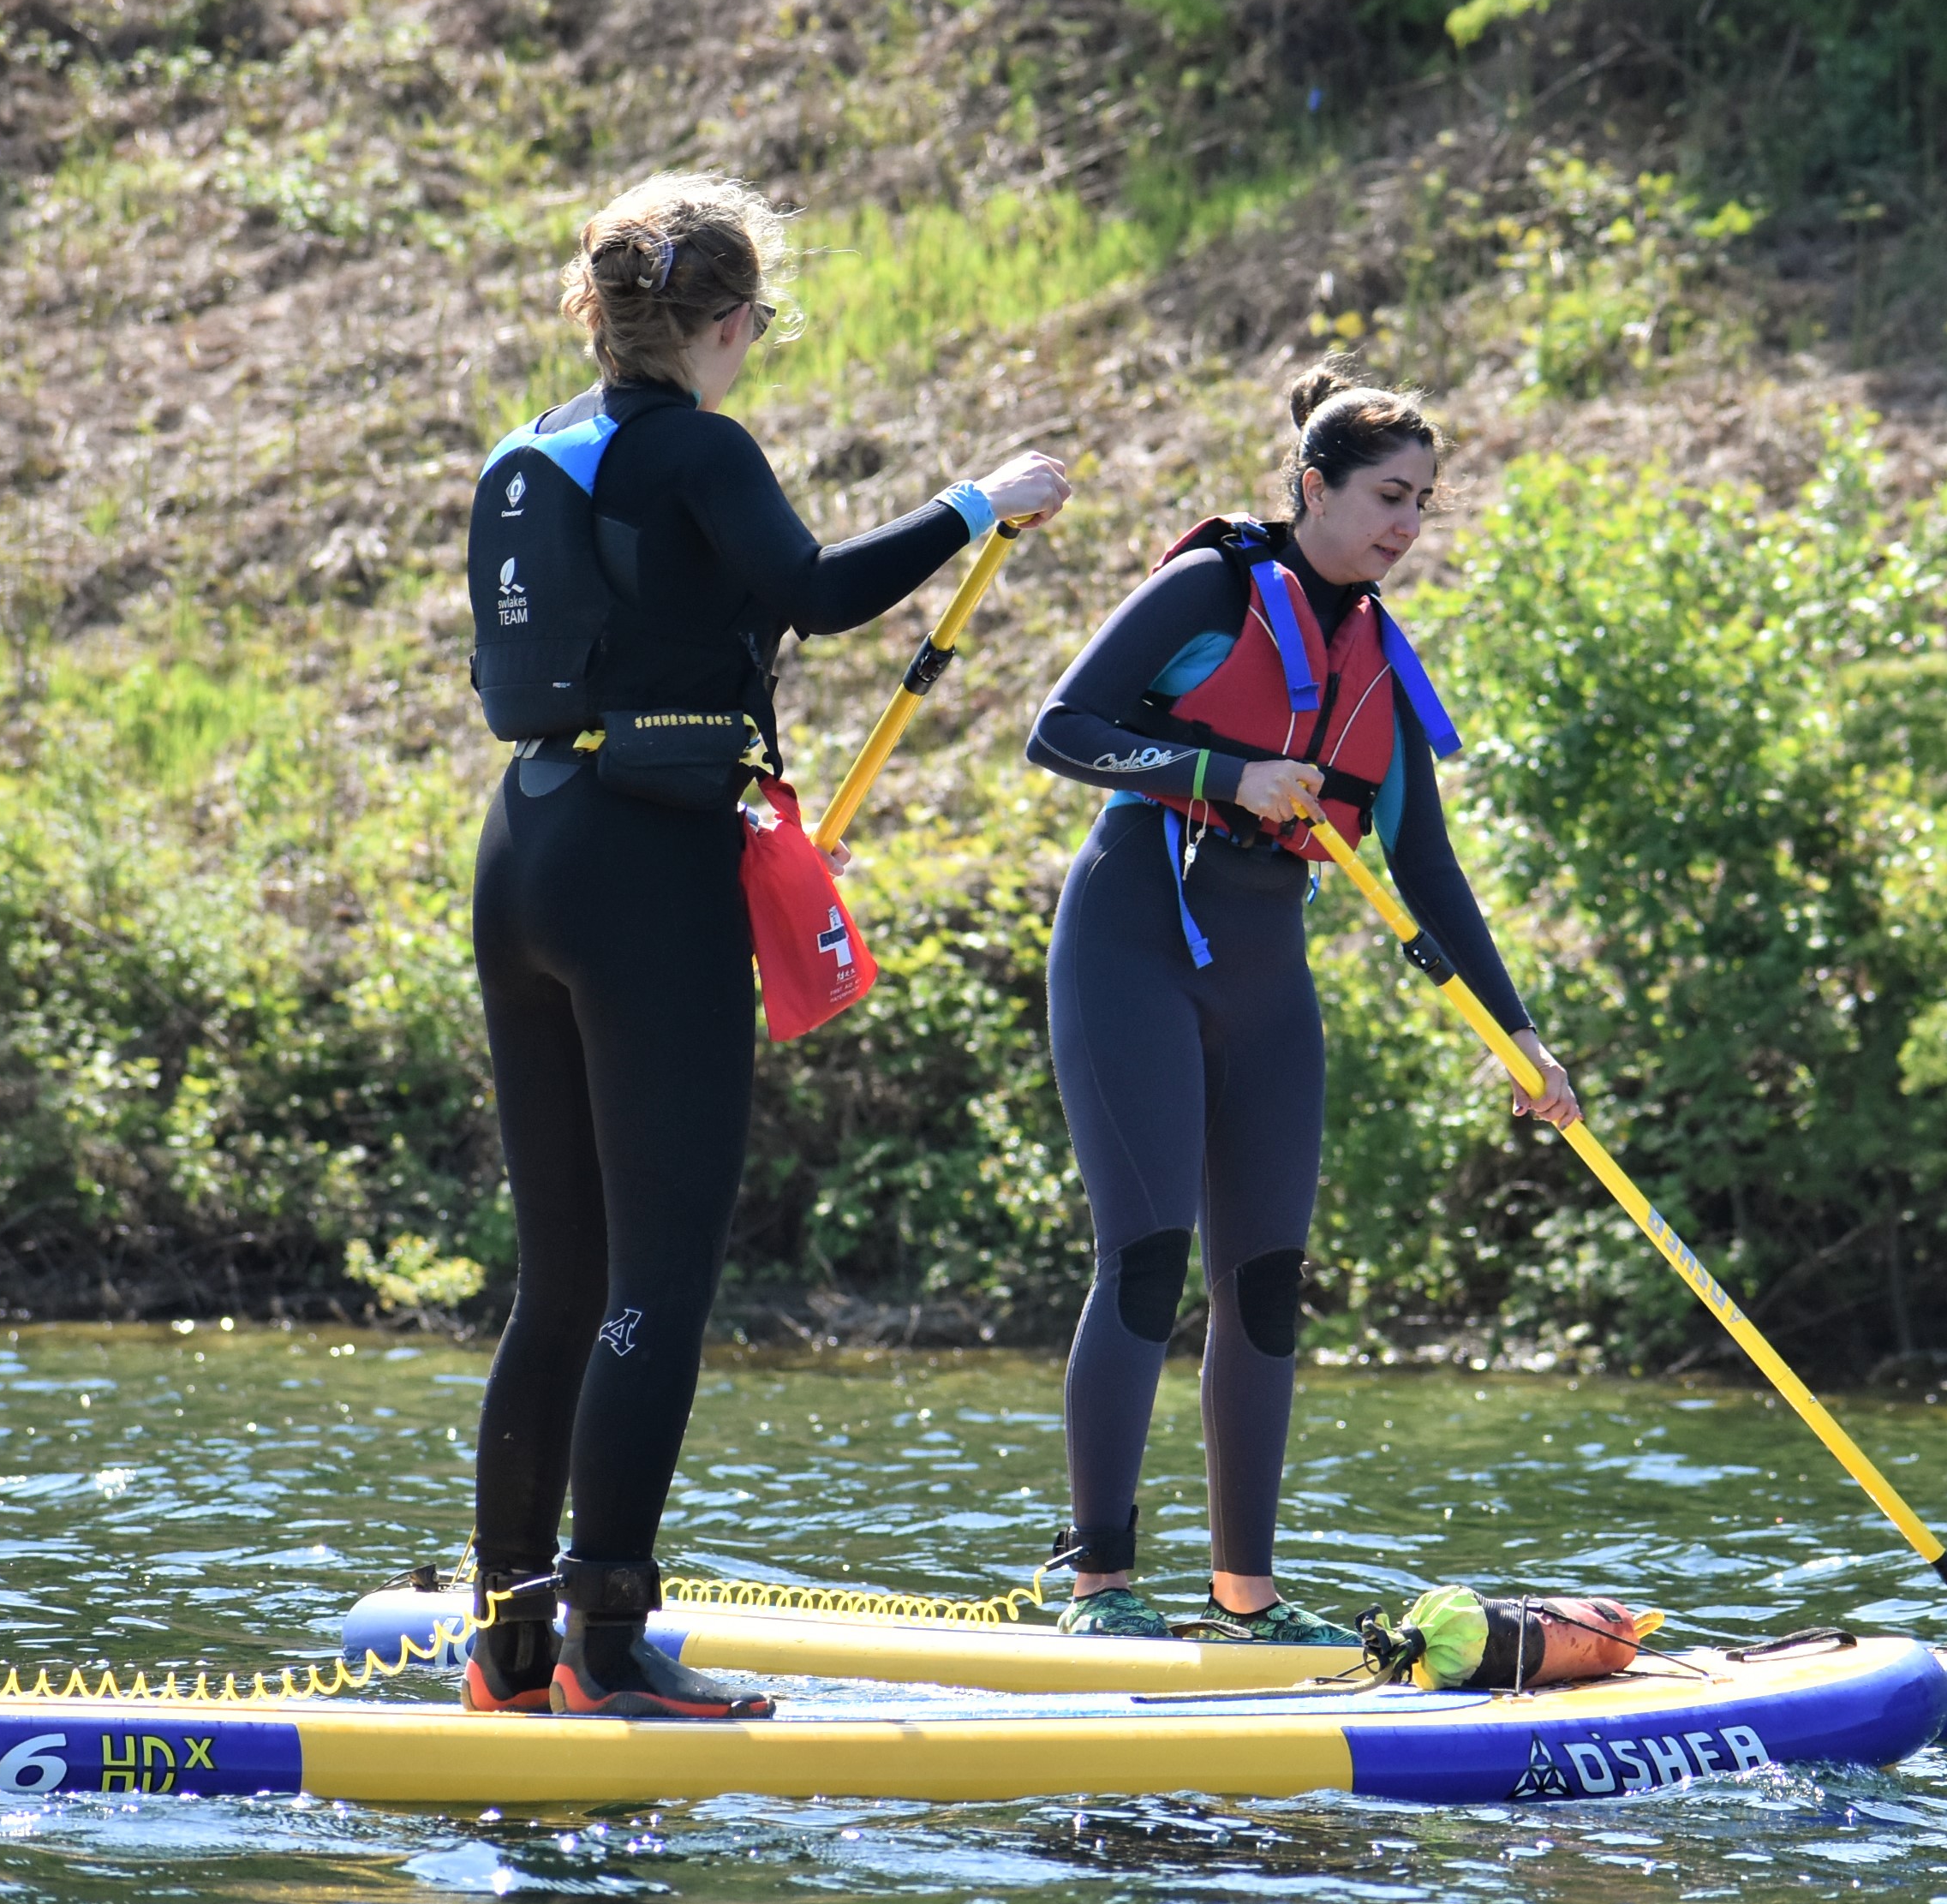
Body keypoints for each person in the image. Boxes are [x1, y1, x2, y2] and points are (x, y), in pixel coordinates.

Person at [463, 172, 1070, 1717]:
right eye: (754, 328)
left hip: (523, 846)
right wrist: (980, 505)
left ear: (599, 313)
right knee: (655, 1276)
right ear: (728, 324)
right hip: (646, 868)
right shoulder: (699, 446)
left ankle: (508, 1645)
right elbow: (815, 591)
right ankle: (608, 1644)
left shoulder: (531, 449)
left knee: (560, 1280)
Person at [1023, 367, 1579, 1643]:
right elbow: (1061, 729)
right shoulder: (1210, 588)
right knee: (1149, 1260)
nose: (1407, 525)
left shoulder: (1380, 652)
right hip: (1135, 942)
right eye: (1388, 496)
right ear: (1314, 487)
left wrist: (1521, 1037)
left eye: (1426, 504)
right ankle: (1099, 1586)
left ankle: (1246, 1603)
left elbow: (1425, 869)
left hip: (1268, 974)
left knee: (1264, 1281)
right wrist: (1225, 768)